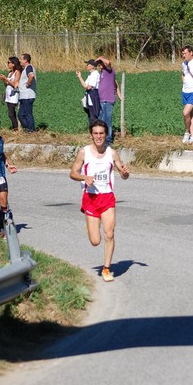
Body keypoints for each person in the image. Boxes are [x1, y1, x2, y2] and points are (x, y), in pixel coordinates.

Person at [69, 120, 130, 282]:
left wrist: (125, 173)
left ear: (106, 134)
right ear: (91, 135)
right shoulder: (84, 152)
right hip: (90, 198)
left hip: (107, 197)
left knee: (109, 234)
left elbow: (122, 172)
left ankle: (106, 269)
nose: (98, 136)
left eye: (101, 133)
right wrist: (84, 177)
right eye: (95, 133)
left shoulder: (112, 153)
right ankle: (90, 226)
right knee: (95, 241)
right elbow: (73, 173)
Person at [96, 55, 121, 145]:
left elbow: (109, 63)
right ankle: (101, 138)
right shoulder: (102, 73)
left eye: (100, 63)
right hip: (102, 100)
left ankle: (108, 140)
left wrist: (100, 58)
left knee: (107, 120)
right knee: (101, 120)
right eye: (98, 64)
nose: (99, 65)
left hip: (108, 99)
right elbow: (115, 83)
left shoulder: (109, 70)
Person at [0, 56, 22, 131]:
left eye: (9, 62)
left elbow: (15, 85)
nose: (8, 64)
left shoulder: (17, 72)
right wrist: (3, 80)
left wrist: (6, 79)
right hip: (9, 95)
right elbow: (7, 85)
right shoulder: (10, 73)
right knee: (11, 113)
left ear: (13, 64)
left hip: (14, 95)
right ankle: (15, 127)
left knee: (11, 113)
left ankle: (16, 128)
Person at [76, 59, 101, 126]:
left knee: (94, 115)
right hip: (90, 95)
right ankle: (92, 132)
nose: (86, 66)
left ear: (93, 66)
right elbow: (85, 85)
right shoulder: (91, 75)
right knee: (90, 115)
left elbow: (89, 87)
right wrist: (79, 77)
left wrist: (86, 86)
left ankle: (96, 131)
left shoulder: (95, 74)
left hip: (94, 95)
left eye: (88, 64)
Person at [18, 53, 37, 132]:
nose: (20, 60)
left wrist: (28, 83)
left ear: (25, 60)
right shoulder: (25, 68)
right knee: (20, 115)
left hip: (28, 95)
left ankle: (30, 130)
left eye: (21, 59)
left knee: (28, 114)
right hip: (24, 95)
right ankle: (28, 128)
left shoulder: (29, 67)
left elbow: (31, 75)